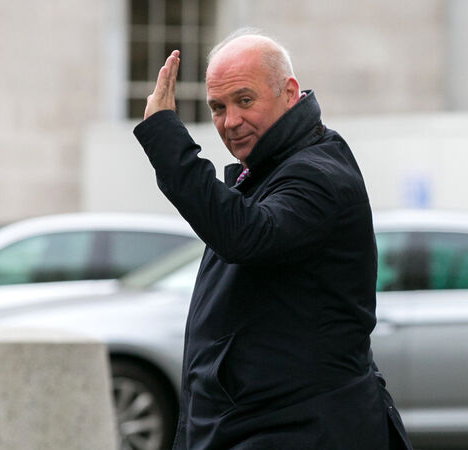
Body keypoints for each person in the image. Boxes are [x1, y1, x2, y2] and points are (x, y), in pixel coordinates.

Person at [134, 29, 412, 450]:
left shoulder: (318, 174)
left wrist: (165, 137)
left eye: (245, 100)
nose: (230, 121)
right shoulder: (270, 172)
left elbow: (243, 234)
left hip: (299, 429)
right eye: (218, 107)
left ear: (290, 93)